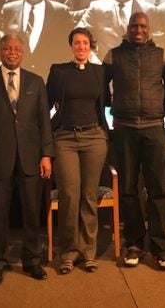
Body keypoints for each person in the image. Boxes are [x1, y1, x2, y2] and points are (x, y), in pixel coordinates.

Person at [0, 34, 54, 286]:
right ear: (0, 51)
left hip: (31, 157)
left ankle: (32, 261)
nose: (11, 52)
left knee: (32, 212)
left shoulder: (36, 81)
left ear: (23, 52)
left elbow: (44, 122)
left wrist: (46, 154)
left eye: (16, 49)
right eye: (7, 48)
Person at [104, 12, 165, 270]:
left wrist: (158, 107)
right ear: (128, 27)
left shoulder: (162, 55)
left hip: (155, 128)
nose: (138, 29)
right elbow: (102, 89)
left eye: (143, 26)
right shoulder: (113, 55)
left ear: (149, 29)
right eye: (134, 25)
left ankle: (160, 248)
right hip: (124, 128)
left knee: (158, 189)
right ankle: (134, 244)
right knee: (128, 189)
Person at [46, 28, 109, 274]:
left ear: (91, 46)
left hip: (94, 137)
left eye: (85, 43)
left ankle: (88, 252)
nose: (81, 47)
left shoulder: (100, 72)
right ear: (70, 45)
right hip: (65, 139)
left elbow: (106, 102)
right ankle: (69, 252)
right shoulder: (58, 71)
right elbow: (46, 105)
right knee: (69, 196)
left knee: (89, 196)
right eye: (76, 43)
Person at [1, 0, 74, 79]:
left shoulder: (60, 12)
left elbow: (67, 48)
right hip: (18, 75)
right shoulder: (9, 9)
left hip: (50, 77)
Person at [78, 0, 156, 61]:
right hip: (104, 68)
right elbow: (78, 36)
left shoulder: (149, 10)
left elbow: (159, 41)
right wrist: (92, 57)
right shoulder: (97, 8)